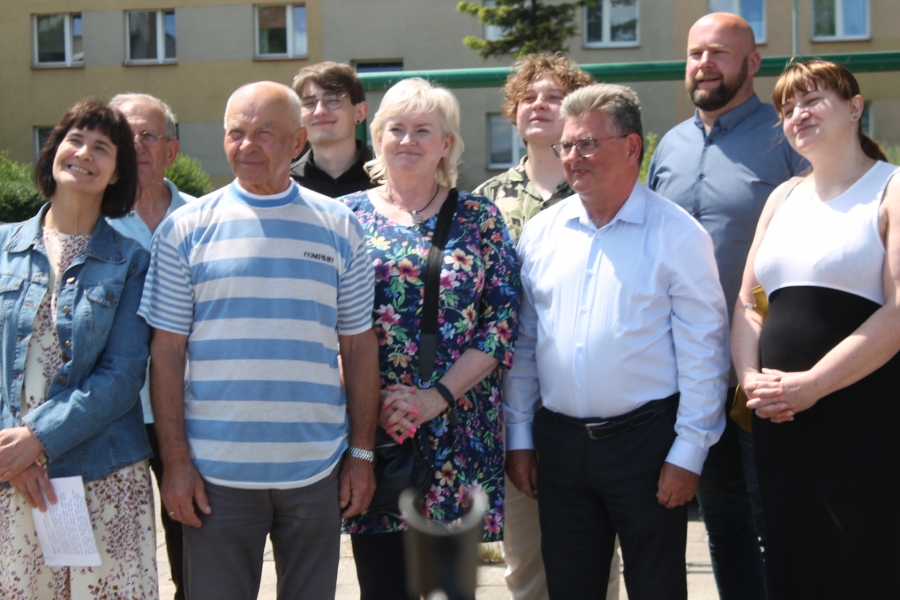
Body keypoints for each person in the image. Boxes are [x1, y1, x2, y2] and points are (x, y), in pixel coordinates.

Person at [138, 81, 380, 600]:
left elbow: (360, 346)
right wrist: (175, 464)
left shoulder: (340, 226)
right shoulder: (185, 228)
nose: (246, 145)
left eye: (264, 133)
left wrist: (361, 454)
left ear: (297, 142)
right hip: (215, 475)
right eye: (236, 133)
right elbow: (166, 353)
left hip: (316, 470)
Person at [504, 83, 730, 600]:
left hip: (646, 446)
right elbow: (524, 345)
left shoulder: (679, 235)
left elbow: (705, 354)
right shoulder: (541, 233)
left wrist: (689, 451)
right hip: (559, 446)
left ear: (632, 148)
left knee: (656, 588)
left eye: (587, 144)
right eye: (566, 145)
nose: (572, 157)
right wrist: (520, 437)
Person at [646, 14, 807, 599]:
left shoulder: (787, 138)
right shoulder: (670, 145)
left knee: (779, 517)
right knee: (723, 519)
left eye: (719, 52)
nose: (704, 64)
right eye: (695, 53)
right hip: (689, 371)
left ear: (753, 62)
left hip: (766, 367)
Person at [340, 77, 519, 600]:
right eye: (396, 128)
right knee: (383, 589)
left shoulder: (479, 217)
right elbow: (322, 322)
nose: (408, 140)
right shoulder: (343, 217)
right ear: (377, 138)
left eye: (423, 130)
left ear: (447, 144)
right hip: (375, 432)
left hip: (457, 428)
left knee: (449, 591)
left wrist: (435, 397)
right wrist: (374, 404)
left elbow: (502, 321)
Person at [732, 59, 900, 600]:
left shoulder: (891, 188)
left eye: (811, 100)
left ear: (855, 108)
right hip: (781, 420)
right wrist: (751, 380)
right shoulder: (781, 197)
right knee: (792, 561)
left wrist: (814, 384)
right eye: (786, 108)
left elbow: (899, 310)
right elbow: (749, 305)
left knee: (862, 563)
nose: (797, 115)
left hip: (863, 418)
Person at [474, 52, 619, 600]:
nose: (539, 104)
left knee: (595, 555)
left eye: (555, 96)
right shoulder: (486, 202)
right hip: (513, 403)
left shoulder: (602, 190)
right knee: (526, 557)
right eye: (528, 96)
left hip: (591, 399)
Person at [0, 100, 157, 598]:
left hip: (104, 473)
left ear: (117, 172)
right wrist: (14, 454)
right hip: (11, 475)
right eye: (75, 140)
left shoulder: (132, 261)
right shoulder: (2, 247)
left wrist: (38, 439)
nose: (84, 153)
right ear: (54, 152)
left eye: (101, 148)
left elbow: (123, 374)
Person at [107, 91, 195, 600]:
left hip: (188, 409)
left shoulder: (205, 218)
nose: (136, 145)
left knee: (193, 545)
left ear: (171, 151)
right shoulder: (90, 219)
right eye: (125, 134)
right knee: (115, 549)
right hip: (111, 413)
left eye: (148, 135)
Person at [291, 61, 375, 197]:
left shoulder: (388, 177)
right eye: (309, 103)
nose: (319, 111)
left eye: (333, 100)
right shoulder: (284, 184)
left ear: (359, 112)